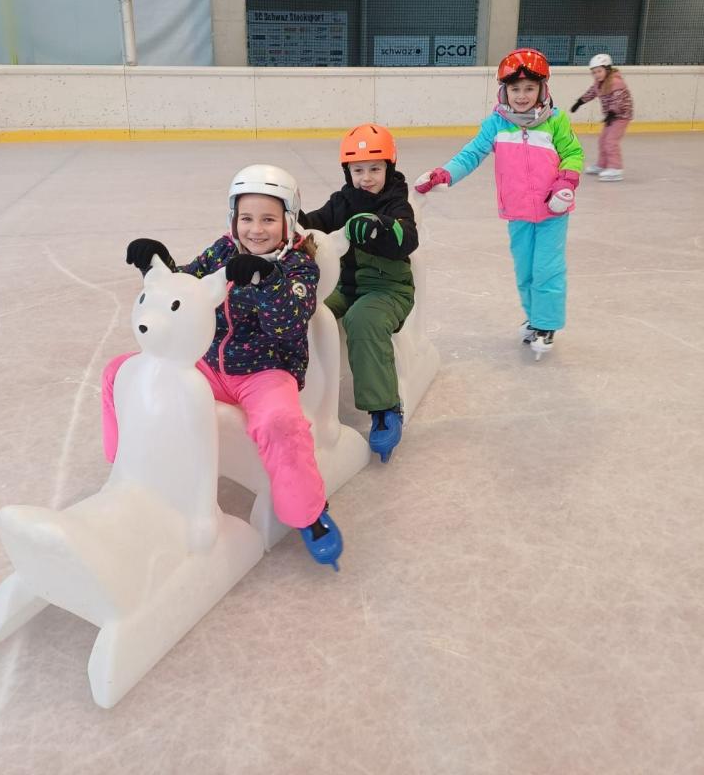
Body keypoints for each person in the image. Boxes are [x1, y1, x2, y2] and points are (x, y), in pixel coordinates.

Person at [101, 164, 343, 571]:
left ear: (289, 220)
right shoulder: (224, 250)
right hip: (208, 362)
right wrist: (155, 263)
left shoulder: (300, 267)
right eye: (246, 218)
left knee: (281, 424)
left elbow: (289, 322)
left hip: (264, 371)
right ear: (233, 218)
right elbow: (188, 286)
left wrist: (267, 281)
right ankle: (127, 466)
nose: (256, 229)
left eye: (268, 219)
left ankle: (308, 512)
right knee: (121, 373)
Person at [415, 48, 584, 358]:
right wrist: (444, 174)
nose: (522, 96)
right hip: (517, 212)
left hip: (552, 211)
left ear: (542, 89)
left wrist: (565, 183)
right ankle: (535, 318)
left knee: (547, 269)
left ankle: (546, 324)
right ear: (505, 91)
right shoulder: (496, 124)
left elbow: (573, 153)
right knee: (525, 270)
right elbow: (471, 154)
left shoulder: (555, 121)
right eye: (515, 89)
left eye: (529, 88)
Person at [299, 124, 418, 462]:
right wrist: (290, 221)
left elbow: (407, 236)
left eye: (375, 169)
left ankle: (385, 408)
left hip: (388, 290)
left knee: (362, 320)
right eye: (358, 170)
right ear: (347, 172)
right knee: (305, 308)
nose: (366, 178)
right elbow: (314, 224)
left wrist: (381, 227)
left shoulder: (396, 202)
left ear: (389, 168)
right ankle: (294, 394)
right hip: (345, 285)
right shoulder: (342, 201)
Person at [569, 53, 633, 181]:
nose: (597, 74)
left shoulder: (616, 82)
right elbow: (592, 92)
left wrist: (612, 113)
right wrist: (579, 102)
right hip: (611, 116)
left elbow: (618, 100)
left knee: (610, 141)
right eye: (594, 72)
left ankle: (615, 168)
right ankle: (602, 164)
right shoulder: (599, 83)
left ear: (607, 69)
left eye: (599, 71)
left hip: (621, 116)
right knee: (603, 140)